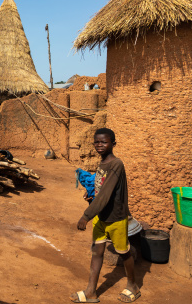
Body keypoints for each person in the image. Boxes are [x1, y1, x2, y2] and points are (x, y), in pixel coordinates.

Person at [70, 128, 140, 303]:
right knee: (97, 252)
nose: (99, 145)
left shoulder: (117, 164)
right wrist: (92, 194)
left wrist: (86, 216)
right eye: (96, 142)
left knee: (124, 252)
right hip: (101, 217)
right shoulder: (102, 164)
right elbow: (102, 188)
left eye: (104, 142)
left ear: (113, 144)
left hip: (115, 218)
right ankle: (91, 291)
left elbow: (107, 194)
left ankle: (133, 286)